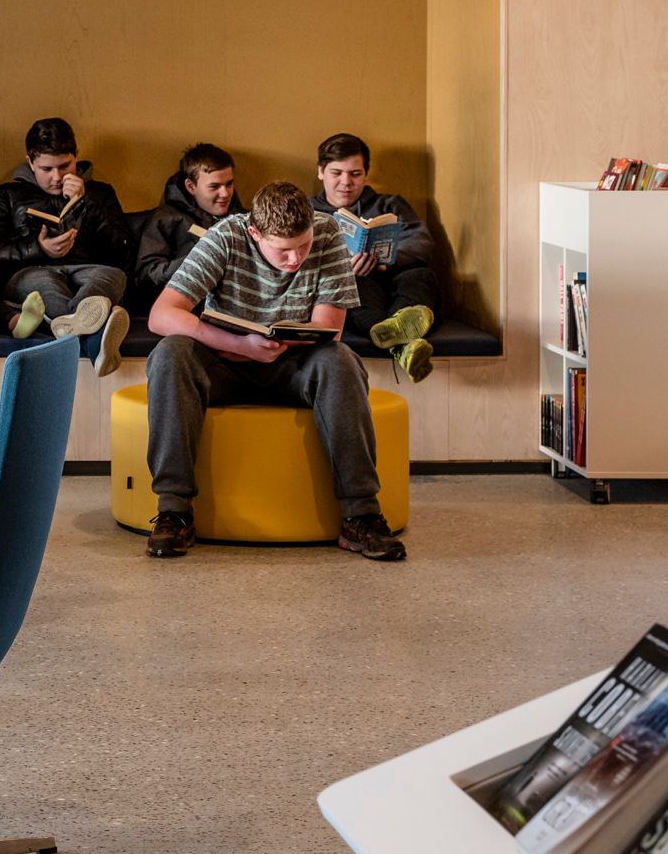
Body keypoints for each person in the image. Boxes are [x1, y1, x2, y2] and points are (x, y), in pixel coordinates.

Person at [141, 180, 404, 563]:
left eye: (303, 245)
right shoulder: (225, 236)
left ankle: (361, 515)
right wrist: (239, 346)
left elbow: (330, 325)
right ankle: (174, 511)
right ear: (254, 233)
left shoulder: (328, 231)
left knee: (342, 360)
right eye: (283, 250)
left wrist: (268, 349)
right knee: (170, 353)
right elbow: (161, 315)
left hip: (294, 364)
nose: (295, 259)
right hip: (226, 363)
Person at [0, 117, 133, 375]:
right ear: (30, 162)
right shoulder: (7, 194)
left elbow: (123, 251)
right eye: (46, 169)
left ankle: (71, 327)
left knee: (113, 276)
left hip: (89, 270)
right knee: (44, 283)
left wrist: (87, 204)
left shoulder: (100, 193)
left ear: (76, 157)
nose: (57, 177)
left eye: (64, 166)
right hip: (32, 271)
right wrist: (38, 248)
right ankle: (95, 340)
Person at [311, 132, 444, 384]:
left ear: (366, 174)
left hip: (395, 279)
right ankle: (404, 344)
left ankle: (398, 327)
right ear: (321, 172)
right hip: (355, 287)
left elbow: (422, 242)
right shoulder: (309, 211)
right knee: (352, 285)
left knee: (423, 275)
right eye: (336, 173)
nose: (346, 182)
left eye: (355, 174)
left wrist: (386, 260)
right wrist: (344, 269)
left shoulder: (389, 204)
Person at [130, 143, 242, 317]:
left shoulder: (243, 219)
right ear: (191, 187)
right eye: (214, 187)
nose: (225, 193)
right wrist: (199, 259)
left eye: (229, 184)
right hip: (188, 308)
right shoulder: (166, 219)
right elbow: (148, 273)